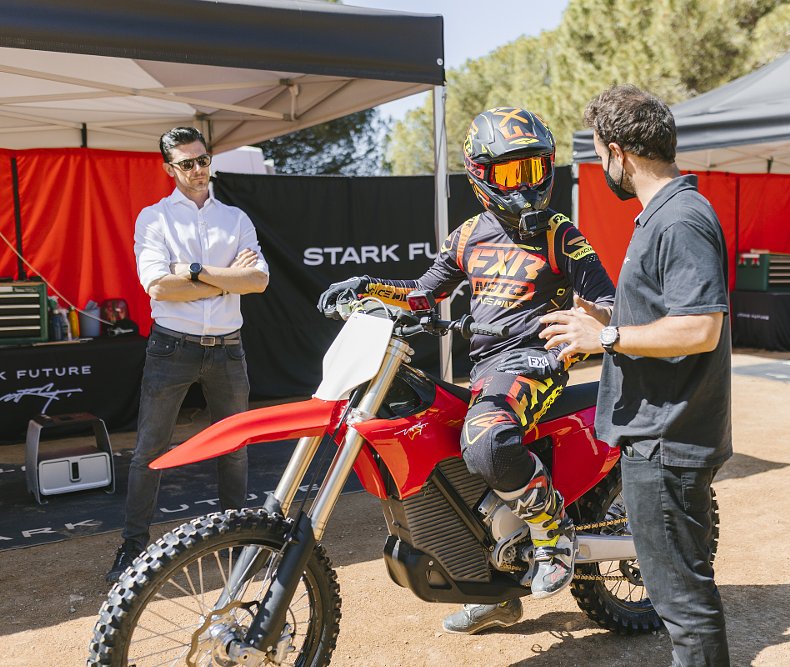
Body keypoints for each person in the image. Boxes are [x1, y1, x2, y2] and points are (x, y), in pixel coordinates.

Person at [317, 107, 615, 634]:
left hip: (534, 364)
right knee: (442, 458)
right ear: (480, 174)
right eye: (508, 172)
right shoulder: (467, 237)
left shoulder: (560, 234)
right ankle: (486, 583)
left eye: (533, 169)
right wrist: (367, 288)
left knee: (484, 441)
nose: (523, 184)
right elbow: (419, 295)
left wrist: (584, 322)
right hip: (486, 368)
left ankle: (553, 532)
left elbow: (607, 303)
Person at [540, 84, 732, 665]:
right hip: (657, 434)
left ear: (620, 152)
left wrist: (605, 337)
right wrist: (602, 317)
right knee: (681, 593)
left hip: (669, 440)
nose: (601, 166)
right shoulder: (664, 216)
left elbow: (700, 328)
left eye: (600, 152)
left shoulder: (681, 220)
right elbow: (663, 312)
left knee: (683, 603)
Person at [105, 127, 270, 582]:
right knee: (149, 451)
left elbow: (257, 281)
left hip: (228, 349)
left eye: (203, 160)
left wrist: (194, 272)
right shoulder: (153, 219)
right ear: (169, 169)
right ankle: (133, 545)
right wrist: (224, 278)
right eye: (187, 163)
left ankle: (236, 539)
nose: (198, 170)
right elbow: (158, 286)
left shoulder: (235, 218)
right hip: (170, 346)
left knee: (234, 449)